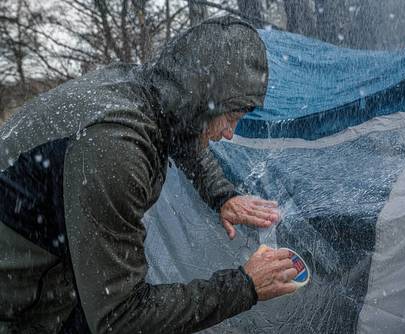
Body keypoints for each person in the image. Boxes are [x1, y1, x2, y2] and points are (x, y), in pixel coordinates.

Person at [0, 16, 298, 333]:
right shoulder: (115, 149)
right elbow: (121, 316)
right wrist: (245, 285)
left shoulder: (143, 87)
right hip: (19, 294)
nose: (229, 133)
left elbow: (180, 128)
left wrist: (221, 194)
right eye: (231, 116)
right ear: (198, 101)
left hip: (48, 273)